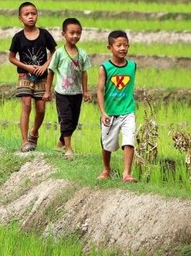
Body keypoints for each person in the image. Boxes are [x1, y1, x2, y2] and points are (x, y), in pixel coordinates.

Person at [8, 1, 56, 152]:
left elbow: (54, 52)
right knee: (26, 106)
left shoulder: (44, 34)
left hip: (42, 77)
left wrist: (44, 66)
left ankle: (34, 132)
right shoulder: (18, 37)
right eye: (26, 14)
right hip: (24, 76)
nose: (30, 17)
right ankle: (24, 142)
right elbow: (12, 57)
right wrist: (26, 66)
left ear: (37, 15)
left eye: (33, 14)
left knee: (41, 109)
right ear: (20, 18)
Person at [43, 18, 91, 160]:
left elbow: (84, 73)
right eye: (72, 33)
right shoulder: (59, 53)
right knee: (66, 119)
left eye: (78, 33)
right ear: (64, 34)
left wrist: (86, 90)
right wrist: (47, 91)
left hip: (76, 93)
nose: (75, 36)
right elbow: (51, 71)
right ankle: (68, 148)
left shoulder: (82, 53)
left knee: (74, 121)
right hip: (62, 93)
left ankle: (60, 143)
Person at [96, 30, 138, 182]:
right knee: (107, 144)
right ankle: (106, 169)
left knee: (129, 140)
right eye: (119, 45)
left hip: (128, 111)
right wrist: (103, 112)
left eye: (125, 45)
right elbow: (100, 91)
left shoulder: (132, 66)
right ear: (110, 48)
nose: (122, 48)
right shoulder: (105, 68)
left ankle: (126, 173)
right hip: (110, 112)